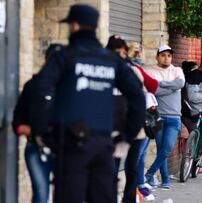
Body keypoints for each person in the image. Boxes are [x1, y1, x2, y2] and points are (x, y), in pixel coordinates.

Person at [30, 4, 146, 203]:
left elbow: (39, 89)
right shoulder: (112, 59)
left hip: (71, 144)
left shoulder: (65, 56)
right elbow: (138, 96)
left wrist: (41, 132)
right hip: (104, 145)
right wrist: (127, 135)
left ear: (74, 26)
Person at [106, 36, 158, 203]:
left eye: (121, 51)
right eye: (116, 51)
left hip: (131, 127)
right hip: (114, 127)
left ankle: (129, 198)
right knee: (114, 166)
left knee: (132, 166)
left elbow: (145, 92)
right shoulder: (104, 68)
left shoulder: (132, 69)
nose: (119, 55)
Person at [12, 44, 63, 203]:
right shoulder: (33, 85)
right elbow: (17, 122)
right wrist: (30, 130)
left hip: (63, 149)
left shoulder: (71, 88)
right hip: (36, 148)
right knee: (41, 195)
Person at [145, 45, 185, 189]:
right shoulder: (150, 71)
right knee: (162, 148)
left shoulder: (177, 70)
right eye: (163, 55)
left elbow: (180, 83)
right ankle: (166, 180)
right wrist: (172, 88)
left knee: (167, 148)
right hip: (158, 117)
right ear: (157, 57)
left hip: (174, 117)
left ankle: (149, 173)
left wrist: (161, 85)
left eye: (169, 55)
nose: (166, 58)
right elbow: (152, 90)